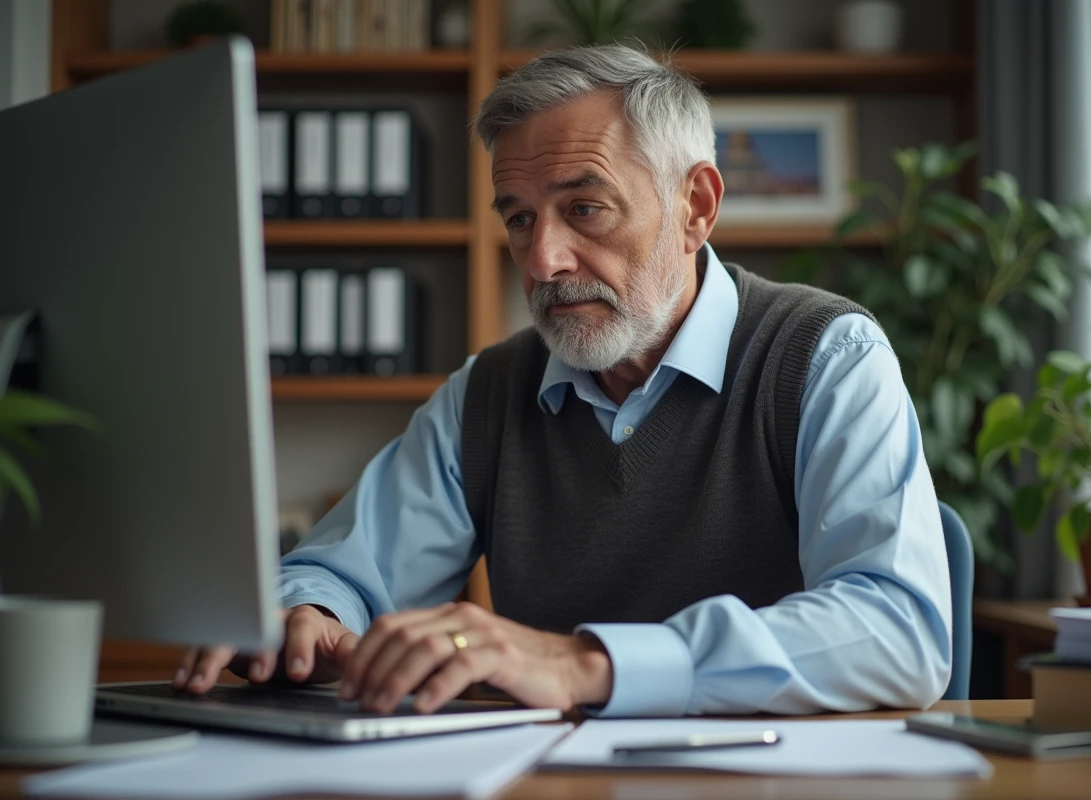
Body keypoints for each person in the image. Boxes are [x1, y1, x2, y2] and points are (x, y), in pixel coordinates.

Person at [175, 44, 952, 718]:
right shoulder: (489, 394)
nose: (543, 259)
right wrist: (305, 612)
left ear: (696, 207)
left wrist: (586, 664)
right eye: (518, 218)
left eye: (585, 208)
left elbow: (900, 630)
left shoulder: (825, 355)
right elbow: (338, 571)